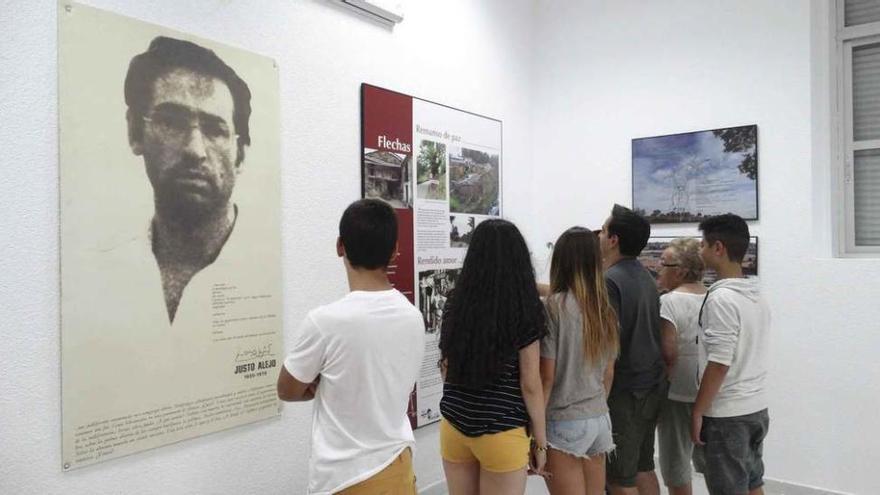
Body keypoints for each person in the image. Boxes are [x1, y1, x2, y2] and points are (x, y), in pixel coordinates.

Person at [278, 199, 425, 494]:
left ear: (339, 246)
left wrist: (321, 383)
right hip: (398, 468)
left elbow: (287, 389)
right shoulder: (413, 316)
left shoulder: (324, 322)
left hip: (345, 479)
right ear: (395, 249)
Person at [124, 36, 252, 323]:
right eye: (171, 122)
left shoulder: (263, 263)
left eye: (214, 129)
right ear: (135, 133)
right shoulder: (104, 268)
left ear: (240, 154)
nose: (195, 150)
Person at [438, 219, 549, 493]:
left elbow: (446, 367)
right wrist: (541, 442)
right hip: (502, 430)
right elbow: (530, 384)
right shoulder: (525, 309)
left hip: (454, 423)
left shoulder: (455, 301)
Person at [692, 214, 770, 495]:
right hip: (755, 408)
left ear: (718, 248)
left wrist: (698, 411)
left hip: (727, 415)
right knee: (752, 482)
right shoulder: (755, 295)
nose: (700, 251)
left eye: (703, 244)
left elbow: (720, 363)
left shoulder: (722, 299)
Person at [540, 227, 619, 495]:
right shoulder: (604, 309)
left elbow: (546, 378)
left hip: (563, 419)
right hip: (598, 418)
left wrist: (536, 435)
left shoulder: (553, 308)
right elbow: (608, 373)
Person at [597, 204, 666, 495]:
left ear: (613, 240)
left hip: (626, 393)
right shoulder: (644, 277)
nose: (598, 236)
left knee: (619, 479)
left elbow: (608, 352)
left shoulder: (610, 281)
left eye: (602, 231)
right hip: (650, 386)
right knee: (642, 467)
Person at [656, 238, 707, 495]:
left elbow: (669, 353)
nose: (658, 268)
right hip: (710, 393)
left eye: (663, 263)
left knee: (676, 466)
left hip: (677, 393)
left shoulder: (670, 302)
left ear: (680, 270)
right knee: (714, 465)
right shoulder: (713, 296)